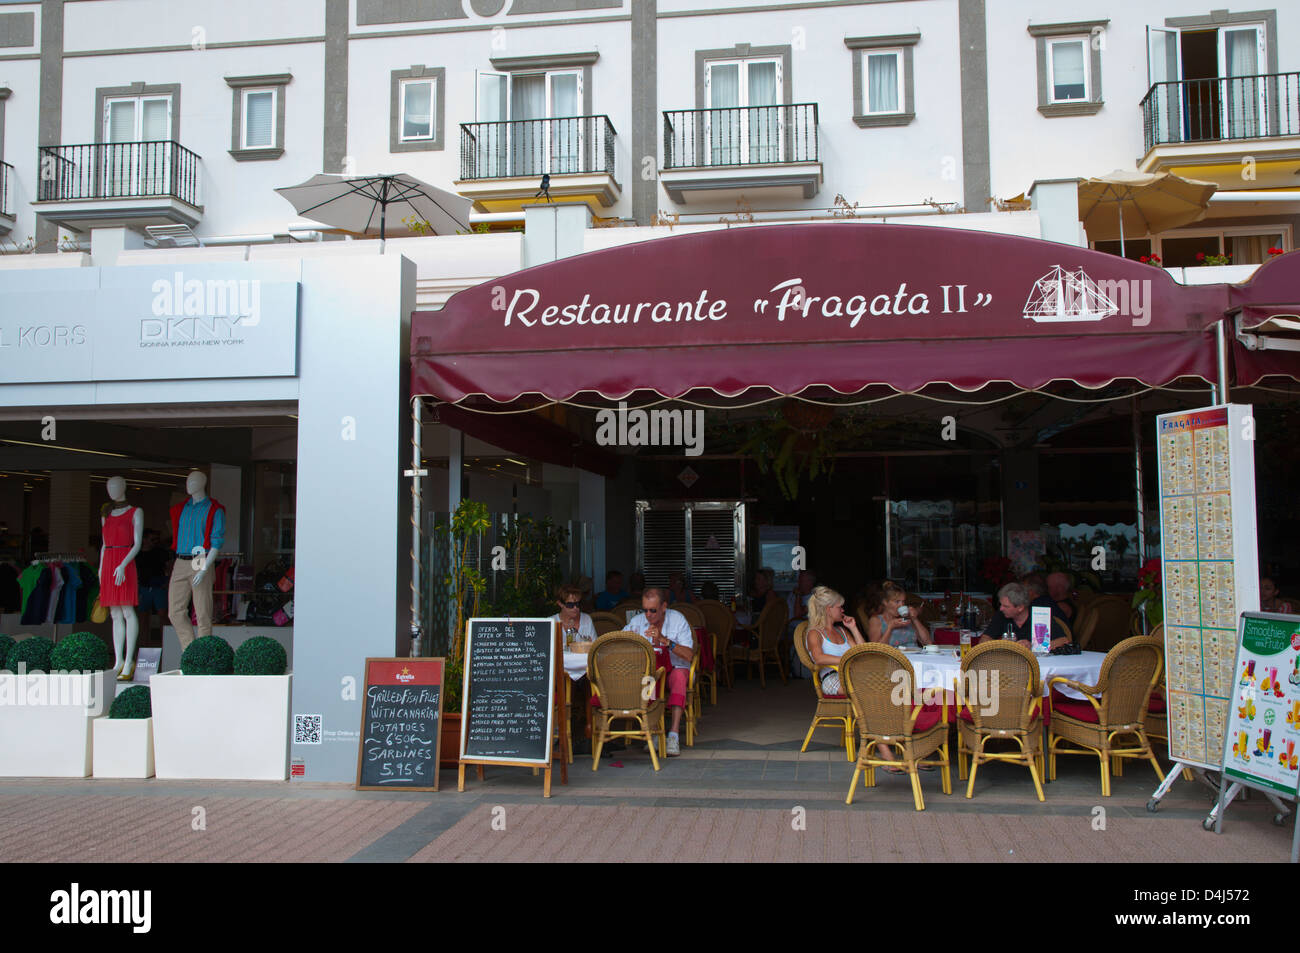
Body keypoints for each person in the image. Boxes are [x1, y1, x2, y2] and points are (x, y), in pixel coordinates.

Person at [626, 587, 694, 756]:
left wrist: (664, 640)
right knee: (646, 680)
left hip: (675, 668)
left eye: (653, 610)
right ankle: (654, 731)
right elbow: (620, 641)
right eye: (645, 610)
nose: (648, 615)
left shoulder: (678, 620)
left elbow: (689, 655)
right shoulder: (637, 622)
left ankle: (673, 733)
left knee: (679, 677)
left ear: (664, 606)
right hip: (648, 671)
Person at [978, 581, 1071, 650]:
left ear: (1020, 607)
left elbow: (1064, 640)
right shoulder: (1001, 615)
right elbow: (983, 640)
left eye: (1006, 606)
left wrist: (1033, 646)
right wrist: (1002, 644)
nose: (1001, 608)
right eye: (1001, 604)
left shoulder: (1039, 616)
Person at [865, 580, 931, 648]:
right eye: (897, 601)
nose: (901, 605)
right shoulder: (876, 620)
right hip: (894, 657)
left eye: (903, 601)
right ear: (885, 602)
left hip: (914, 656)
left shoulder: (907, 618)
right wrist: (890, 628)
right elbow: (876, 650)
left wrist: (914, 619)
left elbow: (927, 643)